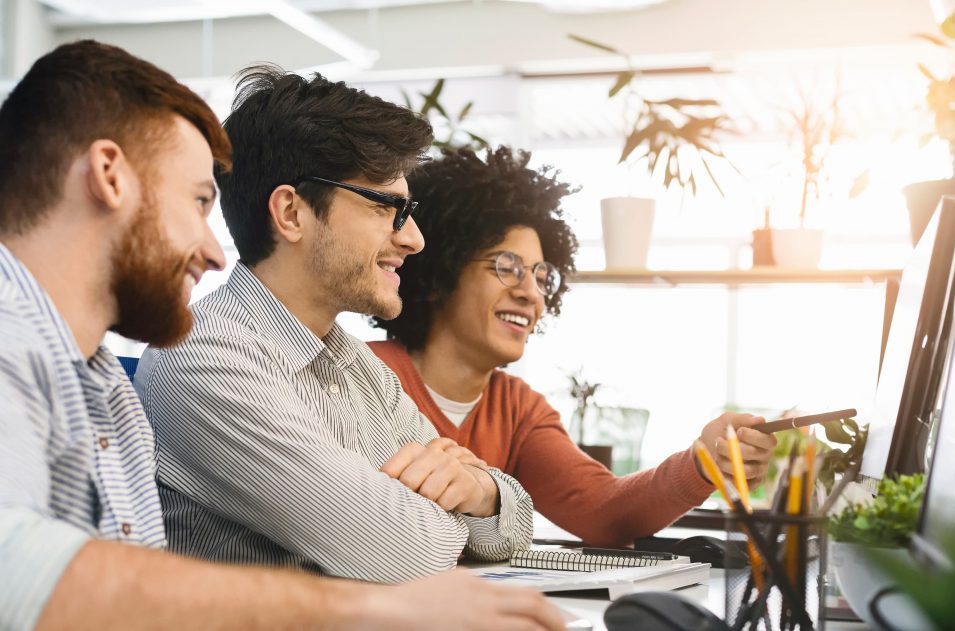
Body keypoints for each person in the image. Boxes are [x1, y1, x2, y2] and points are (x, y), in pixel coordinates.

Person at [0, 41, 563, 631]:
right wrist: (378, 599)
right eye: (196, 202)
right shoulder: (144, 353)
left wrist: (475, 491)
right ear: (108, 176)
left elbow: (499, 526)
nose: (215, 253)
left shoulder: (102, 379)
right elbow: (20, 573)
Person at [135, 66, 535, 583]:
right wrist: (448, 510)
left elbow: (514, 521)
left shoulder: (355, 363)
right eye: (385, 207)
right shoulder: (203, 360)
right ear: (292, 213)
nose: (413, 238)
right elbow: (401, 552)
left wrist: (480, 490)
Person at [369, 147, 778, 548]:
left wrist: (704, 461)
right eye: (507, 268)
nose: (531, 293)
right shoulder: (360, 371)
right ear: (440, 273)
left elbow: (605, 511)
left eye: (542, 275)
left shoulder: (518, 409)